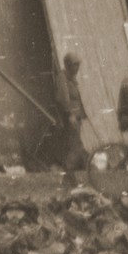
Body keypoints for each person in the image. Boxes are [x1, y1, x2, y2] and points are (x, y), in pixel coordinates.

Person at [51, 51, 90, 183]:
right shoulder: (62, 77)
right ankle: (68, 176)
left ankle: (69, 177)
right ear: (68, 65)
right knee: (75, 147)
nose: (77, 68)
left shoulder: (70, 78)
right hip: (71, 118)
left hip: (75, 118)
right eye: (75, 65)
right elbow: (63, 98)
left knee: (74, 145)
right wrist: (70, 114)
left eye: (78, 65)